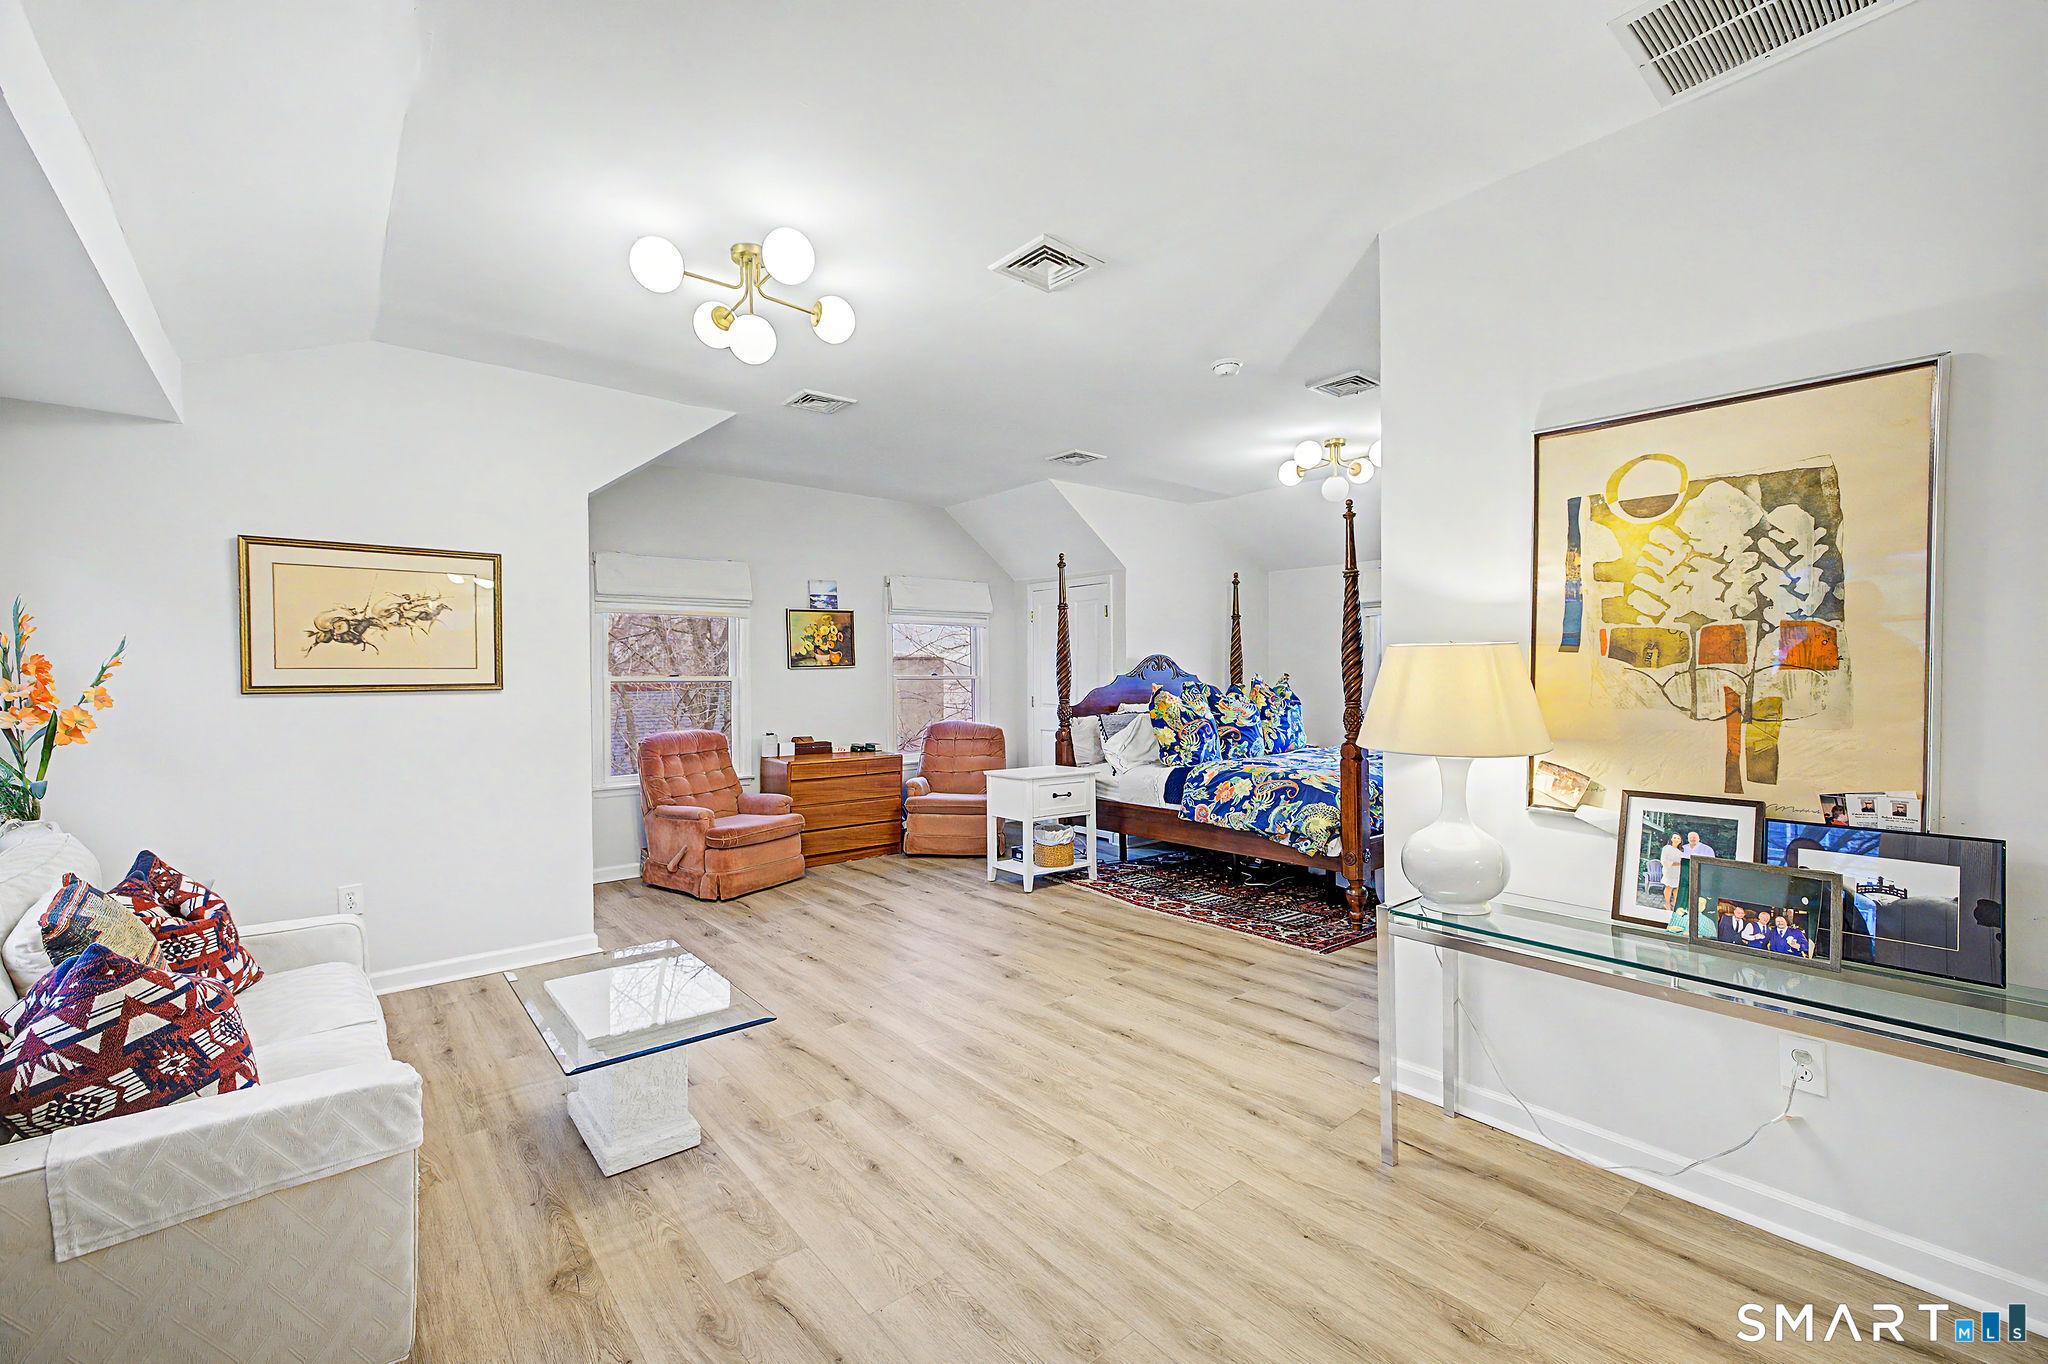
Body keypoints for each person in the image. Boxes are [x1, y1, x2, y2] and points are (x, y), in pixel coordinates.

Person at [1659, 834, 1684, 916]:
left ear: (1681, 840)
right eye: (1675, 838)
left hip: (1678, 871)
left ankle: (1674, 903)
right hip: (1669, 870)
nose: (1676, 839)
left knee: (1677, 888)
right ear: (1671, 839)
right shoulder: (1667, 848)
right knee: (1669, 887)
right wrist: (1675, 864)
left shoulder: (1681, 850)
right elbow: (1663, 860)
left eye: (1678, 838)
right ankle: (1667, 904)